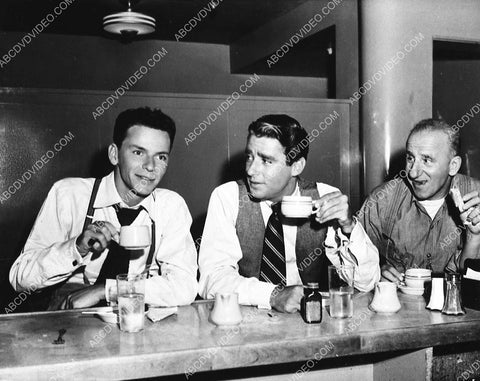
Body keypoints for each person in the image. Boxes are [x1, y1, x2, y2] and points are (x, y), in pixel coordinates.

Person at [9, 107, 198, 309]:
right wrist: (76, 247)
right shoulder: (69, 194)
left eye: (161, 156)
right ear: (114, 155)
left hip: (136, 306)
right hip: (71, 310)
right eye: (138, 152)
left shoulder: (171, 206)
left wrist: (107, 290)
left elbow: (185, 286)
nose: (150, 166)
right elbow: (20, 279)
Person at [198, 114, 380, 313]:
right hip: (243, 319)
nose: (251, 170)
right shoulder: (228, 197)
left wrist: (348, 227)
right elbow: (212, 280)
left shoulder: (324, 197)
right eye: (250, 156)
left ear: (296, 166)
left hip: (307, 321)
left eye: (266, 161)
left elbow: (366, 283)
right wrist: (273, 294)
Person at [358, 118, 480, 283]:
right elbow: (353, 261)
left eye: (426, 160)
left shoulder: (476, 199)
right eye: (410, 158)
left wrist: (474, 236)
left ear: (453, 166)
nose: (413, 173)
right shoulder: (381, 200)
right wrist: (376, 268)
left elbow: (473, 286)